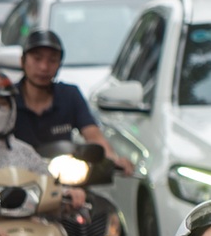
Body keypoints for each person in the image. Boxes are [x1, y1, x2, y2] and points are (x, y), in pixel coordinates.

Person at [11, 30, 133, 173]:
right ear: (23, 61)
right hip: (16, 177)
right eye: (37, 59)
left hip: (62, 177)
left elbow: (93, 135)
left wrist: (113, 159)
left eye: (52, 60)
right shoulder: (7, 99)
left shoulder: (70, 95)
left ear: (59, 64)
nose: (44, 67)